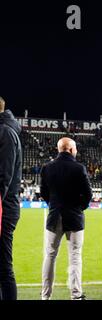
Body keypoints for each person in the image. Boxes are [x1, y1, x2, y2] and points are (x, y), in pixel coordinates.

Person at [40, 137, 92, 300]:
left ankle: (45, 296)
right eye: (75, 149)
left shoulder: (47, 168)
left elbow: (43, 193)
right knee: (75, 257)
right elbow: (88, 194)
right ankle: (76, 295)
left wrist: (54, 205)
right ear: (70, 149)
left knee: (50, 255)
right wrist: (79, 207)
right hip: (75, 218)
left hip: (54, 217)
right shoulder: (79, 168)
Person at [0, 96, 22, 300]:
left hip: (4, 209)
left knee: (3, 267)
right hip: (4, 206)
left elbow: (3, 177)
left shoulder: (5, 132)